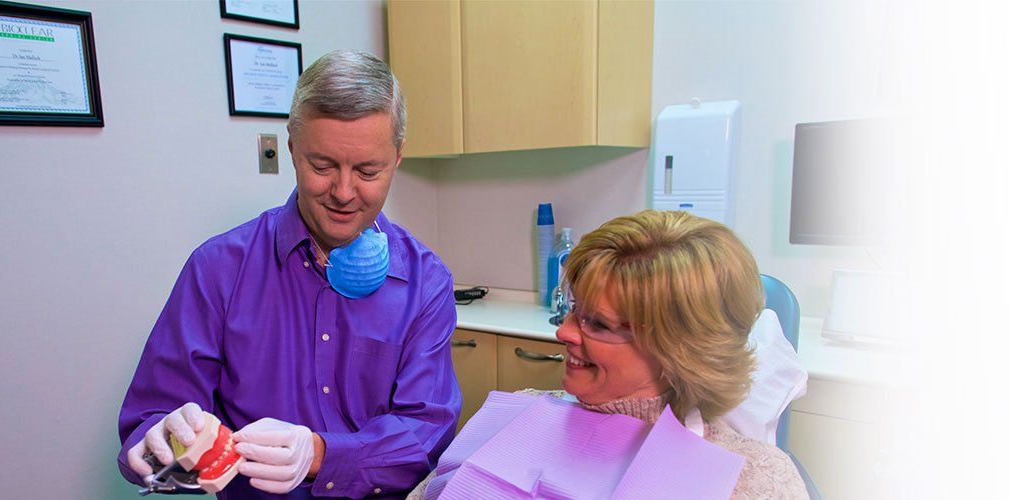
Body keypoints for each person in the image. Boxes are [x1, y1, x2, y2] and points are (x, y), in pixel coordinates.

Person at [117, 49, 460, 499]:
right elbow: (148, 422)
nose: (343, 192)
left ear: (397, 158)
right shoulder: (218, 270)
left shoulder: (424, 282)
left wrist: (321, 454)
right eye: (322, 166)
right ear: (293, 147)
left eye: (367, 170)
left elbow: (427, 432)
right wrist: (162, 441)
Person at [408, 210, 808, 499]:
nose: (563, 333)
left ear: (678, 351)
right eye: (571, 310)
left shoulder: (753, 479)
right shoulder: (519, 412)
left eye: (596, 323)